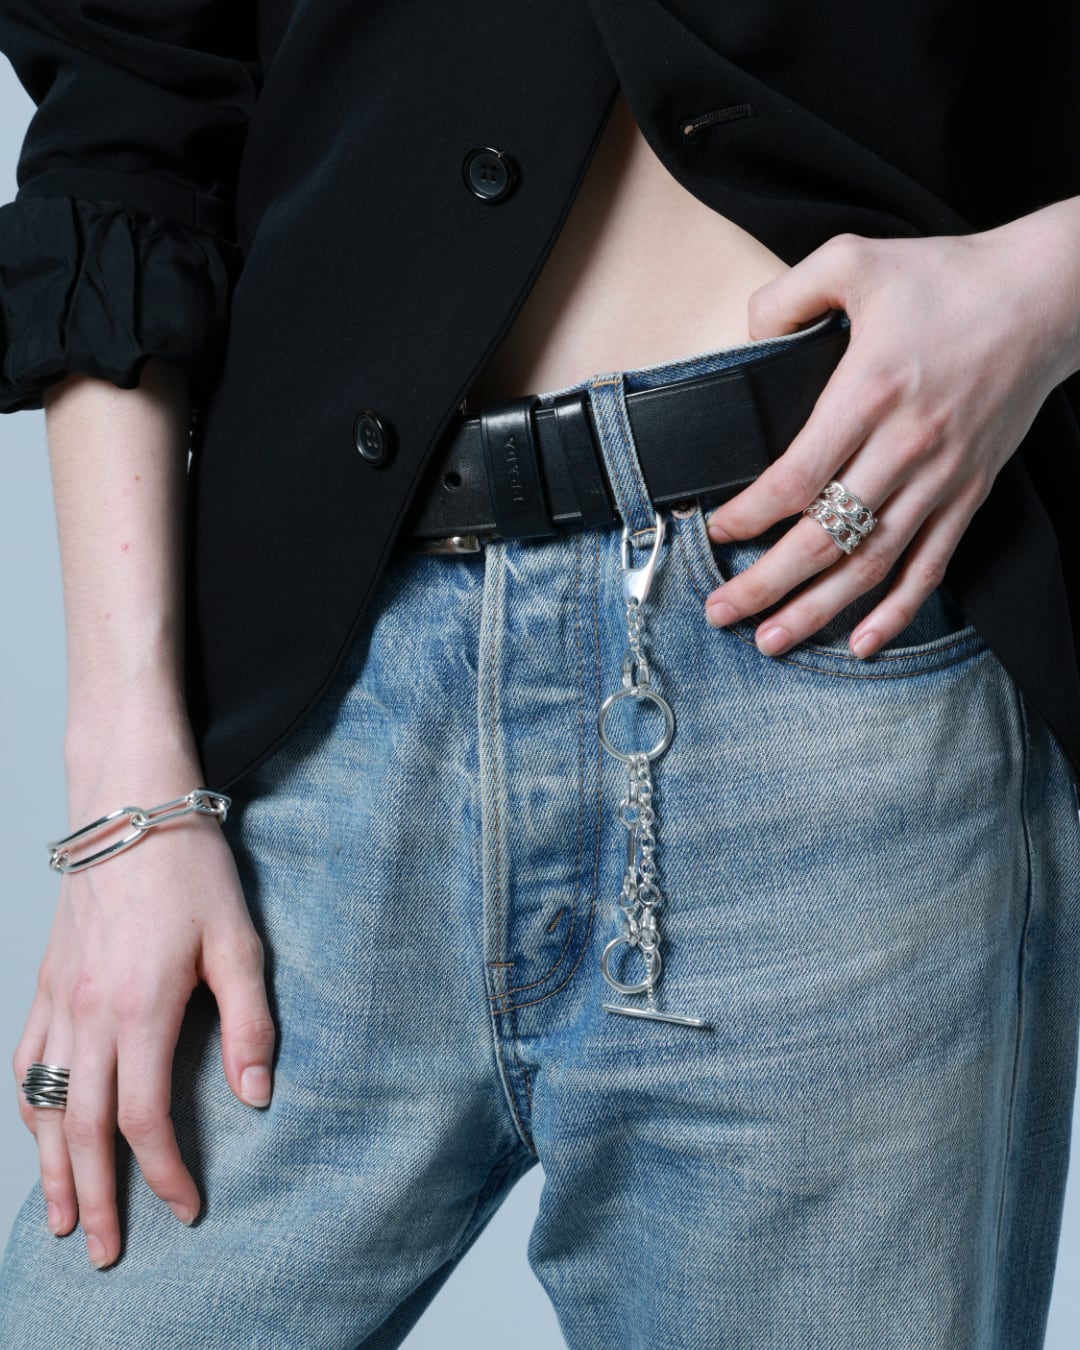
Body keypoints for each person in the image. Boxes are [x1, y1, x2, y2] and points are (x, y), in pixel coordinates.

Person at [1, 3, 1079, 1347]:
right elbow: (130, 94)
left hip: (833, 650)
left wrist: (1043, 289)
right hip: (321, 697)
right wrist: (126, 791)